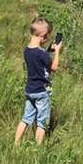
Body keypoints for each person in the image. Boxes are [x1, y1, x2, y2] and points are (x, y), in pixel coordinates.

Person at [14, 18, 62, 146]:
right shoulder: (42, 54)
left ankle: (16, 143)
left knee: (26, 118)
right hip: (41, 92)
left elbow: (39, 61)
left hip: (30, 90)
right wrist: (57, 51)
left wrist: (48, 51)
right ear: (44, 36)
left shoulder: (27, 50)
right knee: (42, 122)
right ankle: (37, 148)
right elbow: (54, 68)